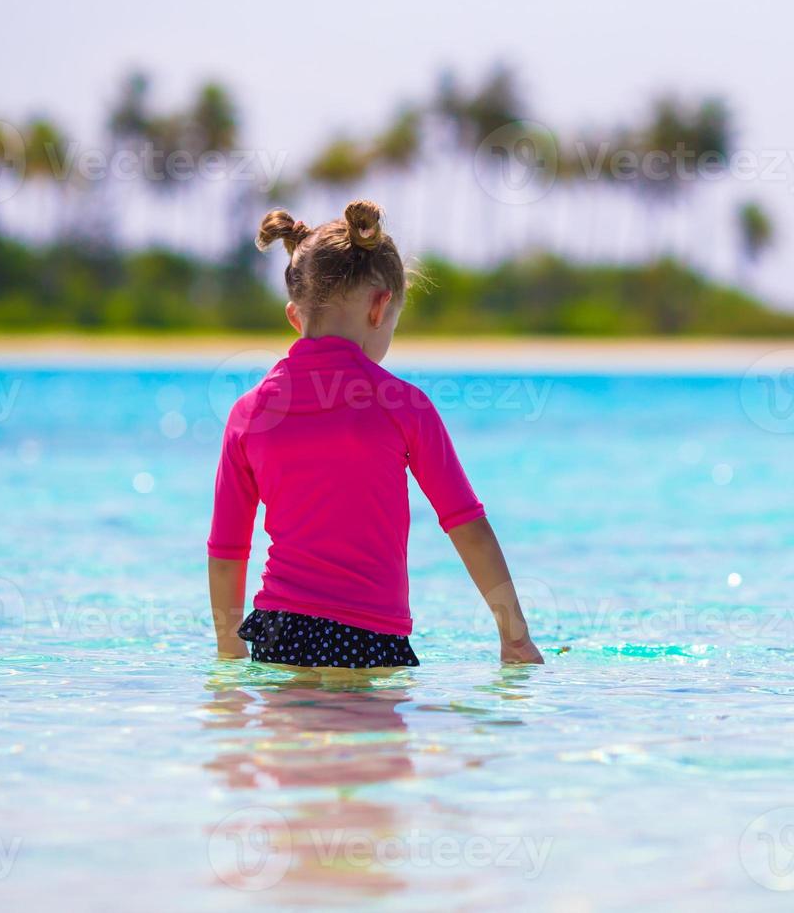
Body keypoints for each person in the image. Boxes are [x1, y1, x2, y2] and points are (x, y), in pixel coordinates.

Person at [206, 200, 543, 668]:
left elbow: (227, 550)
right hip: (369, 634)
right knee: (371, 741)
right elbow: (467, 526)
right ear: (381, 307)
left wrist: (229, 649)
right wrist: (515, 638)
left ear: (294, 315)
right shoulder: (403, 405)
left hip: (278, 629)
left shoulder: (249, 413)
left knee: (286, 741)